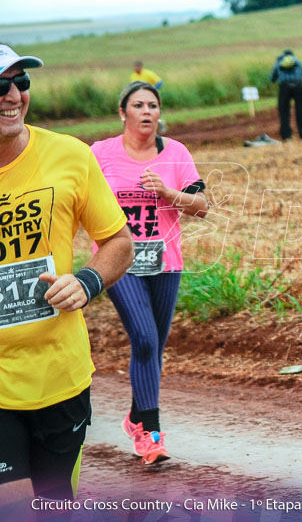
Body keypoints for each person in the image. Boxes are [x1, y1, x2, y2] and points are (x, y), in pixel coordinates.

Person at [0, 44, 134, 512]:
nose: (12, 95)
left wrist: (87, 281)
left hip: (62, 374)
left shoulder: (69, 156)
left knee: (55, 506)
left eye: (21, 82)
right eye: (0, 84)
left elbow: (119, 241)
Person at [91, 81, 208, 466]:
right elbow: (80, 201)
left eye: (153, 105)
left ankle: (136, 415)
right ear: (122, 113)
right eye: (138, 105)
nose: (147, 112)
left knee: (154, 346)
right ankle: (150, 433)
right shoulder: (100, 153)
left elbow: (202, 205)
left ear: (159, 113)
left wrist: (170, 195)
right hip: (118, 259)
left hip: (164, 262)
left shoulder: (175, 153)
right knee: (143, 338)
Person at [270, 49, 302, 141]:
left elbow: (273, 78)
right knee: (301, 111)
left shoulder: (279, 62)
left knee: (284, 112)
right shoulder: (297, 61)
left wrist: (275, 80)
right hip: (298, 86)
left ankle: (286, 136)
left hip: (284, 87)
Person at [130, 60, 167, 134]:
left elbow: (159, 82)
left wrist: (153, 90)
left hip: (150, 97)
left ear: (140, 67)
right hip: (140, 98)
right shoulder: (133, 76)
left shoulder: (148, 73)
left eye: (137, 67)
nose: (136, 68)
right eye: (135, 67)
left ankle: (161, 123)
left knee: (152, 111)